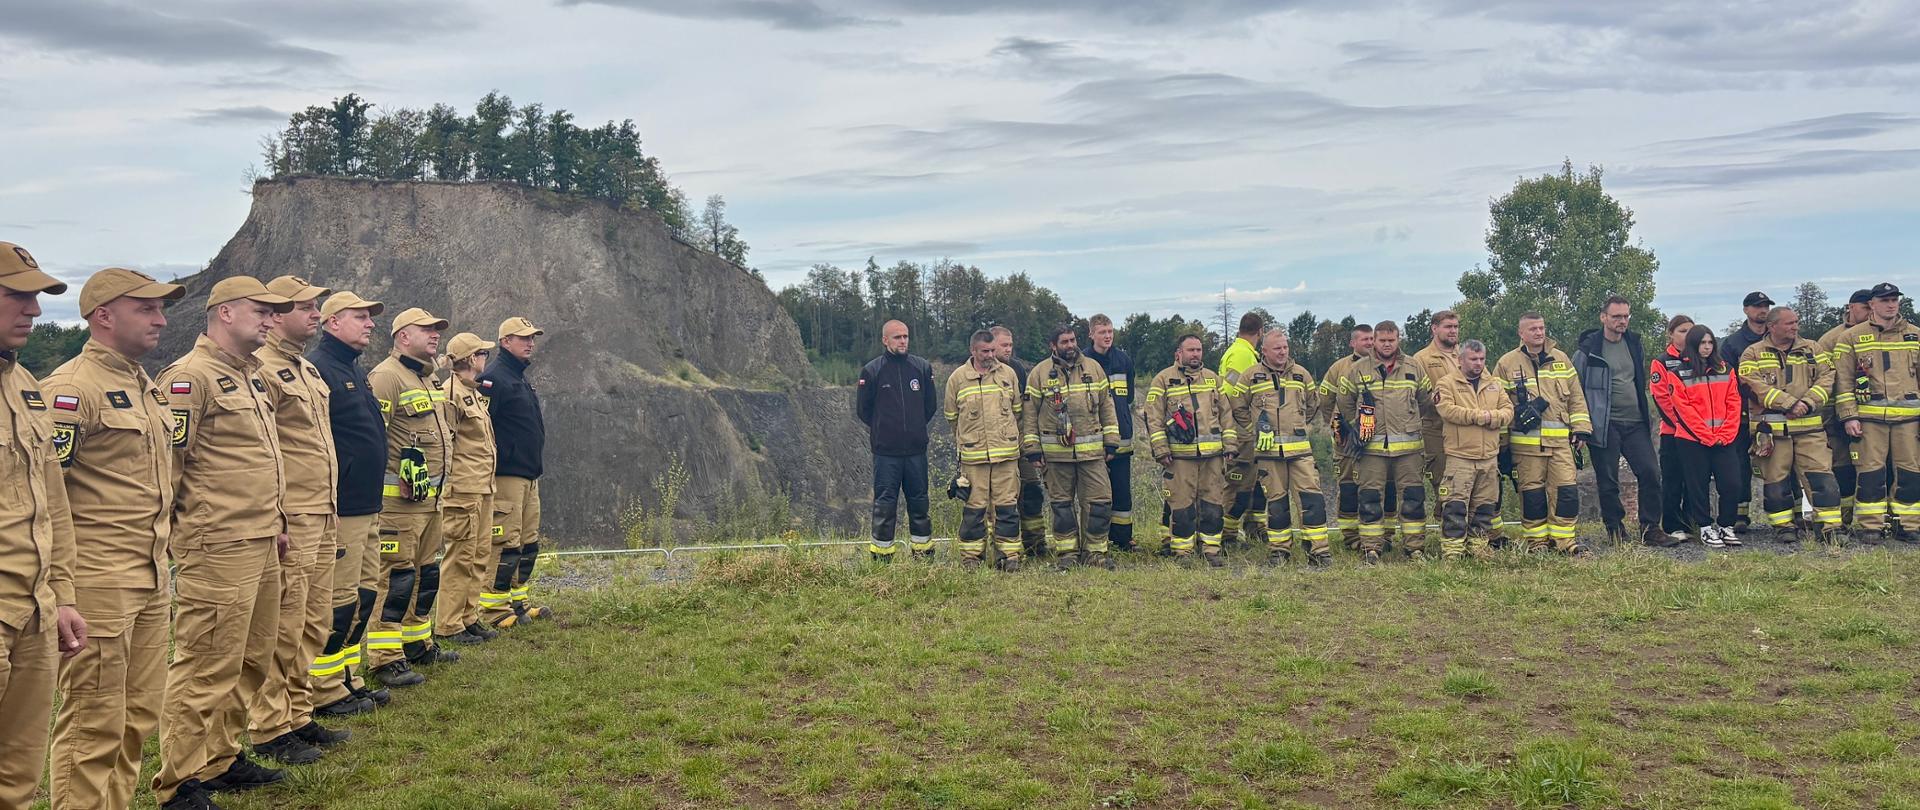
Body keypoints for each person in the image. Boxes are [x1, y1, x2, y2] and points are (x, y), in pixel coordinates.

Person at [43, 268, 183, 810]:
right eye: (146, 309)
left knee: (137, 717)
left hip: (149, 576)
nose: (161, 319)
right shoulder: (70, 390)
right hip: (97, 581)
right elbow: (46, 498)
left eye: (160, 309)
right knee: (92, 722)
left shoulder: (143, 384)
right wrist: (62, 592)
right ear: (104, 316)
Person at [152, 276, 294, 807]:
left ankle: (220, 757)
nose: (269, 320)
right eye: (261, 310)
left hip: (259, 538)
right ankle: (178, 782)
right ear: (226, 312)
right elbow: (169, 467)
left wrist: (277, 523)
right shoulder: (190, 378)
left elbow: (261, 463)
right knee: (205, 662)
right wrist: (176, 538)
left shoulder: (252, 378)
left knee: (251, 657)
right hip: (217, 544)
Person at [247, 276, 348, 767]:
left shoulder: (304, 369)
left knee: (313, 619)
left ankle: (298, 712)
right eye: (304, 307)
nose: (314, 313)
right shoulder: (262, 368)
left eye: (315, 306)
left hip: (322, 509)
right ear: (276, 313)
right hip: (293, 515)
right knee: (283, 623)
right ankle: (270, 726)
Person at [0, 243, 86, 809]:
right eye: (16, 294)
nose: (33, 308)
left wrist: (62, 595)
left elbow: (52, 502)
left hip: (32, 610)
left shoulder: (24, 383)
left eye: (36, 296)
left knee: (17, 776)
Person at [365, 307, 458, 689]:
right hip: (399, 506)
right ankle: (385, 657)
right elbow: (375, 439)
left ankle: (417, 641)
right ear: (403, 336)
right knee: (396, 579)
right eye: (427, 329)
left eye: (437, 330)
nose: (435, 335)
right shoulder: (387, 378)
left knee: (426, 575)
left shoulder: (426, 379)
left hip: (431, 501)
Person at [306, 292, 388, 718]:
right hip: (343, 505)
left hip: (367, 503)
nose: (370, 324)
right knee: (337, 600)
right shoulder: (321, 369)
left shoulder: (350, 369)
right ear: (332, 323)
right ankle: (323, 687)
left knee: (363, 594)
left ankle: (347, 677)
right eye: (360, 317)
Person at [1738, 306, 1841, 543]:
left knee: (1822, 478)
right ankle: (1783, 526)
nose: (1795, 327)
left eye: (1796, 322)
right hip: (1772, 433)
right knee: (1776, 482)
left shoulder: (1813, 349)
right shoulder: (1752, 353)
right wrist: (1788, 403)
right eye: (1789, 323)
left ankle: (1830, 527)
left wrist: (1806, 402)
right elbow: (1752, 384)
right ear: (1772, 326)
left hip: (1810, 429)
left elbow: (1827, 378)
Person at [1494, 313, 1594, 555]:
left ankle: (1565, 543)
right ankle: (1537, 544)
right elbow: (1497, 403)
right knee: (1532, 496)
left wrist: (1582, 429)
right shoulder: (1506, 363)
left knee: (1566, 492)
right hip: (1525, 447)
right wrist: (1502, 445)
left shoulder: (1561, 359)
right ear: (1521, 334)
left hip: (1560, 443)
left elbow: (1576, 397)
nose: (1539, 333)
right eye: (1533, 329)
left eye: (1541, 328)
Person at [1022, 325, 1121, 569]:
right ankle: (1067, 555)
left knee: (1099, 503)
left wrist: (1111, 441)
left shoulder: (1093, 369)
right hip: (1056, 456)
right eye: (1064, 342)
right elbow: (1029, 413)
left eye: (1073, 340)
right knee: (1062, 506)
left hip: (1092, 454)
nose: (1070, 345)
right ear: (1053, 346)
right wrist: (1032, 448)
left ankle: (1095, 553)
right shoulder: (1039, 373)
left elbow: (1107, 407)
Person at [1334, 321, 1433, 563]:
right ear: (1374, 341)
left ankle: (1415, 548)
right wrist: (1357, 426)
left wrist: (1410, 422)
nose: (1387, 345)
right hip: (1371, 450)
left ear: (1399, 339)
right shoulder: (1358, 369)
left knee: (1413, 498)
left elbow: (1426, 401)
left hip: (1408, 450)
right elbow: (1344, 401)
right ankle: (1371, 549)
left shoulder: (1413, 366)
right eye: (1382, 340)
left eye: (1392, 340)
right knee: (1369, 499)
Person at [1231, 331, 1328, 566]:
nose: (1283, 352)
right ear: (1264, 351)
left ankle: (1319, 550)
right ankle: (1280, 551)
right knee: (1277, 503)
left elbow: (1314, 404)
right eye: (1277, 348)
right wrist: (1255, 428)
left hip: (1299, 452)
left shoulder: (1301, 374)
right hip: (1269, 454)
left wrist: (1296, 426)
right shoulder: (1250, 377)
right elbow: (1237, 407)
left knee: (1311, 500)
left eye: (1285, 347)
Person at [1832, 283, 1920, 542]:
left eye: (1894, 300)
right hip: (1869, 420)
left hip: (1909, 420)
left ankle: (1909, 525)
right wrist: (1849, 416)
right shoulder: (1851, 337)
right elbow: (1843, 381)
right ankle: (1870, 526)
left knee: (1910, 474)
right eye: (1885, 300)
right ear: (1872, 304)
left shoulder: (1915, 335)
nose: (1891, 304)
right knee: (1870, 474)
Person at [1575, 296, 1664, 546]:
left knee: (1650, 472)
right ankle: (1615, 529)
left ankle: (1651, 528)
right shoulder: (1588, 349)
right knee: (1608, 479)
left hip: (1636, 421)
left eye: (1625, 316)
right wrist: (1581, 427)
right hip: (1605, 423)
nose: (1622, 321)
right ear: (1603, 317)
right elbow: (1576, 388)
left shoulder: (1634, 344)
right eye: (1616, 316)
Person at [481, 317, 552, 625]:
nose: (530, 342)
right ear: (505, 342)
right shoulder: (493, 379)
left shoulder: (520, 378)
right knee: (505, 544)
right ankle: (496, 611)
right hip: (507, 475)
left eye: (532, 338)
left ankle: (519, 603)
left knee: (527, 543)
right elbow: (481, 430)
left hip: (529, 475)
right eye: (523, 338)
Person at [1145, 334, 1236, 565]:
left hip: (1212, 456)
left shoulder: (1213, 379)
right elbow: (1153, 417)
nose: (1195, 354)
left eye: (1199, 350)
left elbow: (1227, 414)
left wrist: (1230, 446)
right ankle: (1182, 552)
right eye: (1190, 350)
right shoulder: (1163, 380)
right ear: (1179, 353)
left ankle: (1211, 550)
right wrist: (1160, 449)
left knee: (1213, 503)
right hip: (1179, 456)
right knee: (1182, 504)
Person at [434, 333, 502, 644]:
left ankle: (468, 616)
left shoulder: (470, 392)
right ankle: (448, 624)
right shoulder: (451, 393)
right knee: (460, 555)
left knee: (478, 553)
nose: (485, 358)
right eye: (482, 354)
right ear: (471, 359)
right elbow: (445, 442)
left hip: (482, 486)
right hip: (462, 489)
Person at [1653, 325, 1744, 546]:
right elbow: (1683, 410)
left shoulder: (1726, 370)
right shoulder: (1677, 374)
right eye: (1702, 343)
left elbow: (1734, 402)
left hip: (1723, 438)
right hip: (1692, 440)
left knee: (1732, 484)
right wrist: (1705, 435)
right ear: (1693, 345)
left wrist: (1726, 433)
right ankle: (1704, 527)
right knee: (1697, 485)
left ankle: (1725, 525)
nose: (1706, 347)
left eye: (1710, 343)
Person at [855, 320, 937, 562]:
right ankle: (882, 558)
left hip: (915, 451)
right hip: (886, 454)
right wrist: (885, 430)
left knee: (920, 503)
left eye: (906, 336)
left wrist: (913, 429)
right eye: (897, 337)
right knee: (885, 506)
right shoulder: (872, 371)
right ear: (885, 340)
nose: (903, 341)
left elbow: (930, 406)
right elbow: (864, 410)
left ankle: (923, 556)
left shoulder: (921, 368)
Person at [945, 330, 1026, 569]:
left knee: (1007, 508)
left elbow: (1017, 411)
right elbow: (952, 417)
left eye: (993, 351)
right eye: (985, 351)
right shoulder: (957, 379)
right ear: (973, 351)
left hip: (1006, 455)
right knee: (974, 510)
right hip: (974, 458)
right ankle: (972, 558)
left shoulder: (1008, 374)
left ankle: (1009, 556)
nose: (991, 355)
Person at [1433, 340, 1512, 561]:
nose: (1478, 364)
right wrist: (1477, 416)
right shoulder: (1446, 383)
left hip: (1489, 457)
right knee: (1455, 507)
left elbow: (1508, 410)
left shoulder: (1494, 384)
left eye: (1481, 359)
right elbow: (1447, 410)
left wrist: (1493, 417)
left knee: (1484, 507)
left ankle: (1478, 548)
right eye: (1473, 359)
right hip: (1461, 457)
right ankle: (1453, 552)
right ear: (1460, 360)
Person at [1319, 324, 1388, 547]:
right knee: (1348, 487)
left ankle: (1382, 535)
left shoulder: (1382, 366)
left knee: (1378, 487)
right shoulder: (1339, 368)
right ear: (1352, 343)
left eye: (1371, 339)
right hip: (1346, 438)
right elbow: (1326, 400)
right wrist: (1338, 424)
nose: (1369, 343)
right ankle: (1350, 537)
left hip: (1376, 439)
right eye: (1364, 339)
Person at [991, 326, 1049, 557]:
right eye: (1004, 345)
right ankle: (1001, 549)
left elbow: (1024, 409)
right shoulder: (976, 371)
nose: (1009, 349)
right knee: (1000, 500)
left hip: (1019, 441)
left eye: (1010, 344)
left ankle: (1036, 544)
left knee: (1032, 490)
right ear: (990, 345)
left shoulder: (1015, 369)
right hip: (994, 448)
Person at [1818, 289, 1873, 525]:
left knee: (1873, 466)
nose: (1871, 312)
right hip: (1835, 417)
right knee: (1842, 466)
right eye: (1866, 307)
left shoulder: (1879, 336)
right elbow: (1822, 377)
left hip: (1871, 414)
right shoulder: (1831, 339)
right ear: (1851, 307)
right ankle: (1844, 516)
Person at [1722, 291, 1775, 529]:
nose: (1761, 310)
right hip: (1742, 415)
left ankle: (1786, 515)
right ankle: (1740, 514)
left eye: (1765, 306)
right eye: (1756, 306)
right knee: (1740, 465)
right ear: (1746, 310)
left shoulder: (1779, 338)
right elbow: (1728, 382)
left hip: (1774, 413)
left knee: (1779, 462)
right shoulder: (1732, 344)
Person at [1085, 314, 1138, 552]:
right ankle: (1097, 538)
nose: (1107, 336)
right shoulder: (1084, 361)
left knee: (1122, 492)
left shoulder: (1123, 360)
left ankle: (1123, 539)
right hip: (1094, 439)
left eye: (1110, 331)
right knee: (1096, 494)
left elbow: (1129, 397)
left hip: (1122, 437)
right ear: (1091, 335)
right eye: (1102, 332)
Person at [1413, 310, 1463, 537]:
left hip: (1466, 433)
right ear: (1434, 329)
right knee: (1444, 484)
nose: (1453, 331)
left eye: (1455, 326)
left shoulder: (1464, 354)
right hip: (1436, 432)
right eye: (1448, 326)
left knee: (1464, 485)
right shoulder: (1421, 359)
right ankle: (1449, 537)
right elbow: (1417, 398)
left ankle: (1466, 533)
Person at [1218, 312, 1265, 546]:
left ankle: (1254, 527)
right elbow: (1232, 395)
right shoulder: (1242, 355)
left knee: (1253, 482)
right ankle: (1227, 535)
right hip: (1241, 430)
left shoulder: (1238, 352)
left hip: (1244, 429)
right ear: (1260, 332)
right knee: (1237, 483)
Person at [1651, 315, 1697, 544]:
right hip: (1673, 432)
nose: (1686, 334)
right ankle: (1671, 524)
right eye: (1682, 330)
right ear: (1671, 334)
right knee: (1672, 480)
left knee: (1695, 480)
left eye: (1691, 330)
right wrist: (1684, 424)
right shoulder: (1661, 361)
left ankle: (1693, 523)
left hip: (1699, 433)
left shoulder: (1700, 359)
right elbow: (1662, 399)